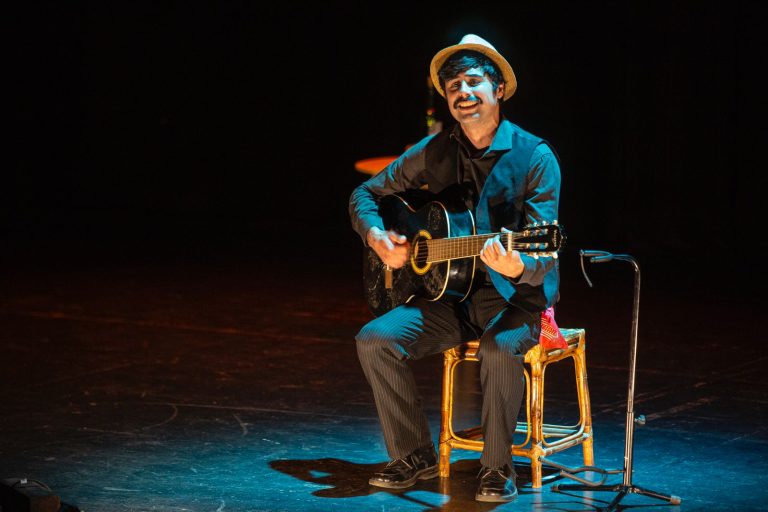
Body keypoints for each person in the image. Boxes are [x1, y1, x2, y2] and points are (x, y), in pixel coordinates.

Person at [348, 34, 561, 503]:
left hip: (514, 297)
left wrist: (519, 262)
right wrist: (377, 237)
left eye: (472, 81)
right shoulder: (434, 149)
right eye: (452, 87)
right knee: (376, 339)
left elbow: (544, 252)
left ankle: (497, 467)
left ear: (498, 89)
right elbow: (364, 195)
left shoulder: (535, 156)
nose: (461, 92)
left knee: (499, 350)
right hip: (448, 297)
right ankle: (414, 453)